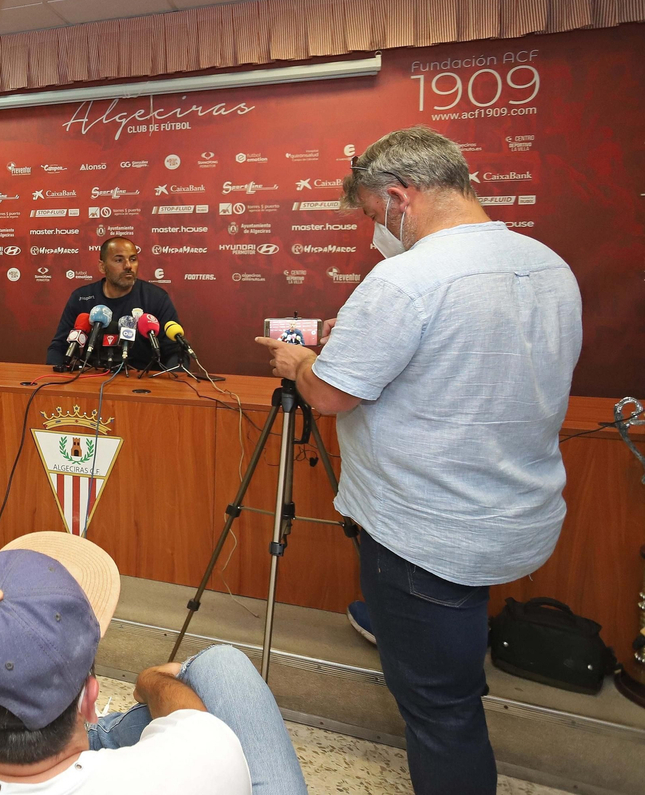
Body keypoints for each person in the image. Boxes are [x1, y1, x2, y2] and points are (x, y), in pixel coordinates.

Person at [253, 126, 581, 795]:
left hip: (428, 534)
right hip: (515, 514)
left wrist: (300, 362)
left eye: (376, 216)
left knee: (441, 713)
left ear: (400, 197)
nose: (378, 231)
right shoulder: (550, 264)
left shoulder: (406, 279)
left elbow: (332, 393)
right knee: (445, 658)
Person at [0, 531, 307, 795]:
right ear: (89, 696)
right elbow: (197, 724)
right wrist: (151, 680)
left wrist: (1, 714)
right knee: (222, 664)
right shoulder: (203, 759)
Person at [45, 236, 180, 368]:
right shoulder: (81, 298)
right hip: (90, 380)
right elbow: (59, 347)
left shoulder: (156, 298)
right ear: (102, 267)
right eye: (119, 260)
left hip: (142, 382)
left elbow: (175, 352)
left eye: (133, 259)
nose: (128, 266)